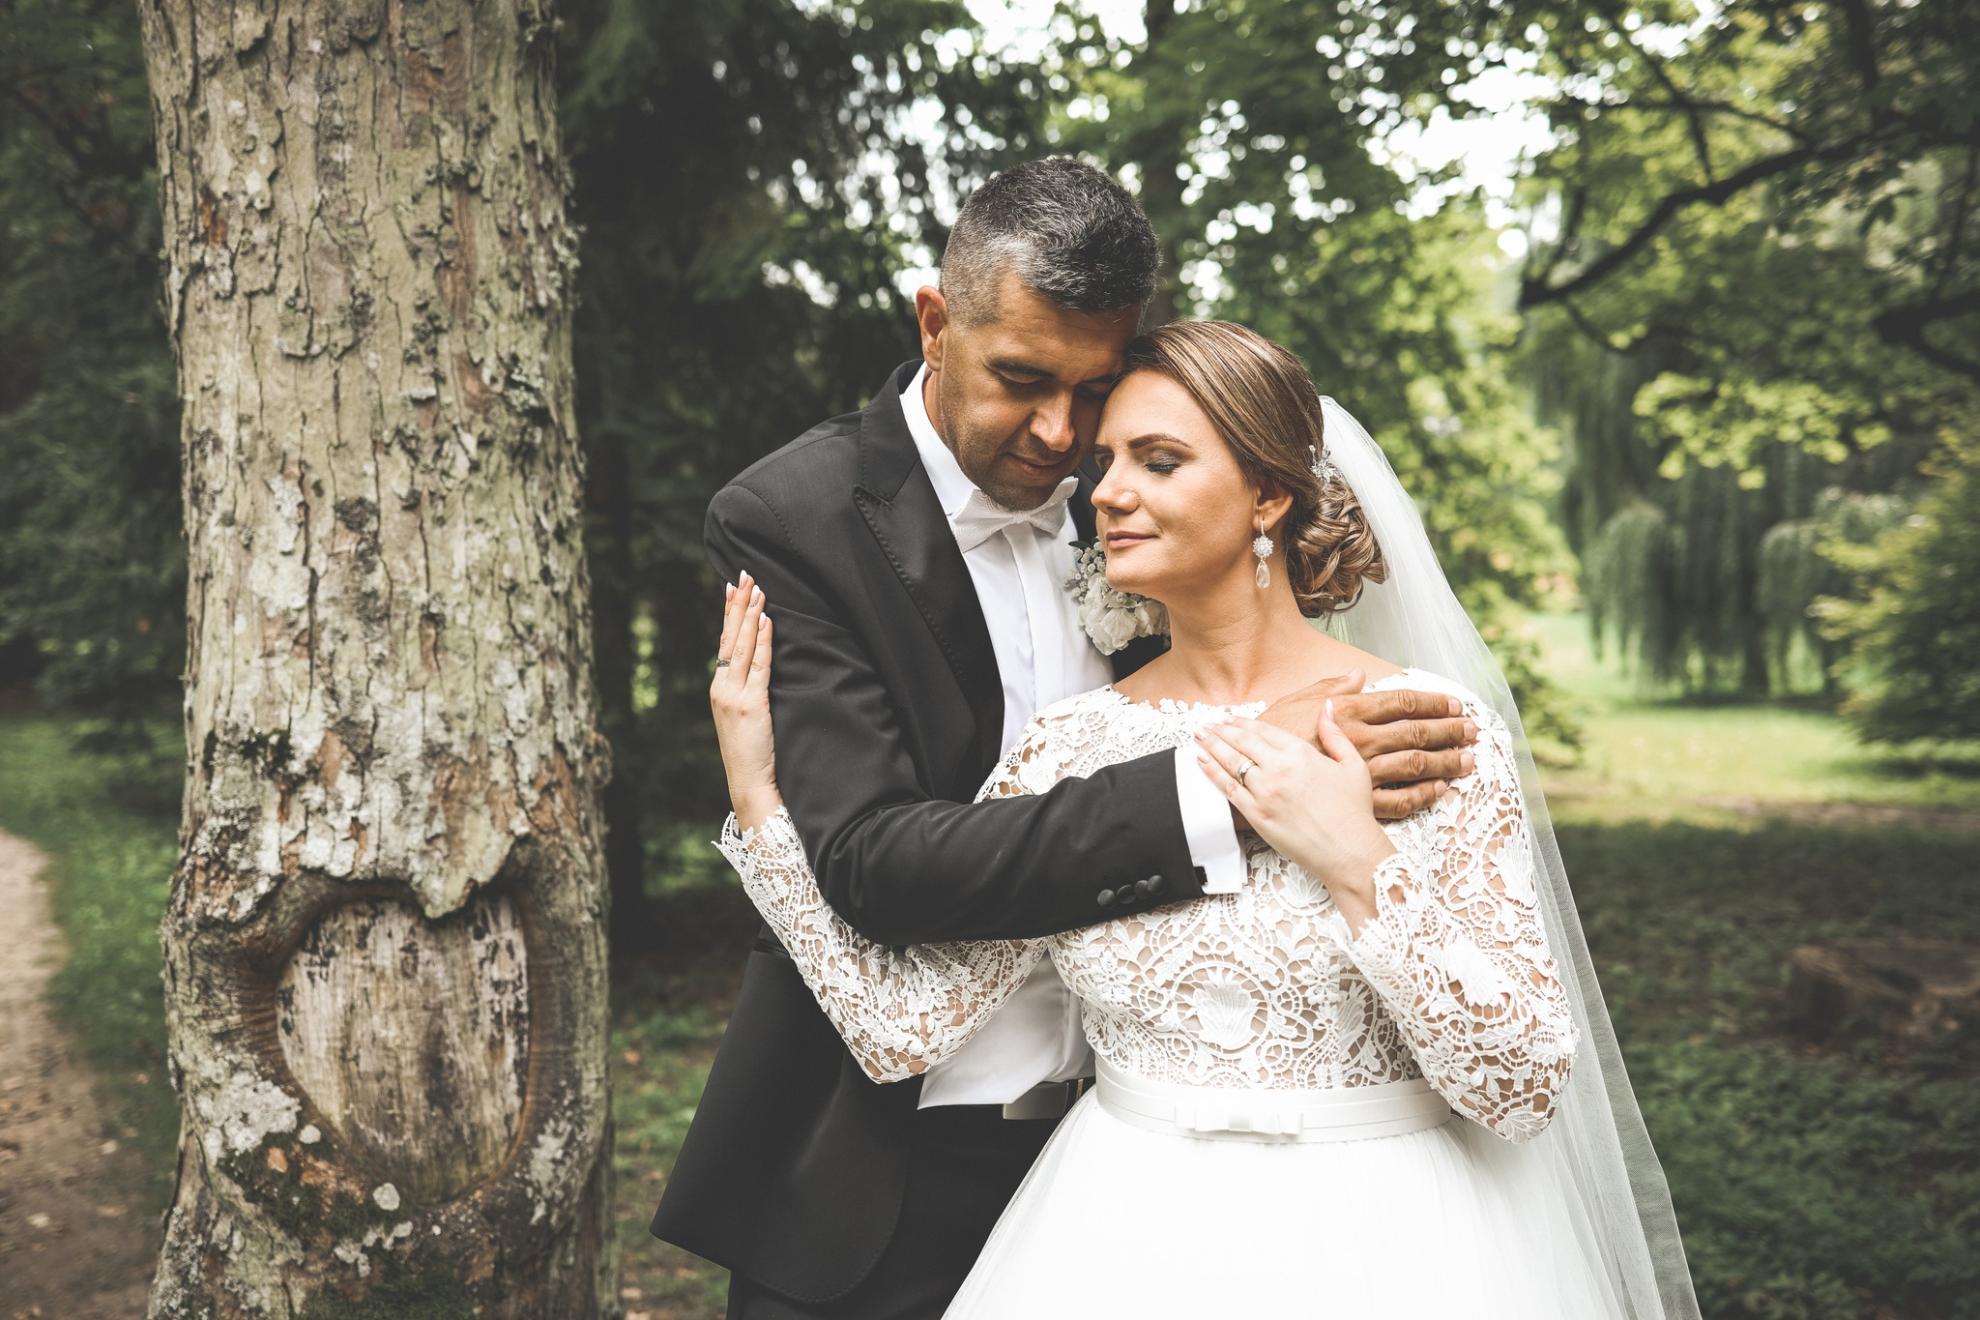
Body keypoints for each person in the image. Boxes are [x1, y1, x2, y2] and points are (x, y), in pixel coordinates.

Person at [704, 320, 1703, 1317]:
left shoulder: (1419, 728)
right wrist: (760, 802)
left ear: (1268, 494)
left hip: (1387, 1245)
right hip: (1122, 1238)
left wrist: (1356, 860)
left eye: (1159, 461)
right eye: (1106, 462)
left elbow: (1524, 1086)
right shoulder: (1070, 747)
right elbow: (901, 1028)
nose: (1106, 492)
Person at [646, 159, 1480, 1320]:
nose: (1062, 435)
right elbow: (876, 863)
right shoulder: (794, 517)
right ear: (935, 324)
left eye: (1094, 390)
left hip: (1137, 1169)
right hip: (877, 1171)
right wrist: (1223, 786)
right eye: (1022, 380)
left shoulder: (1140, 494)